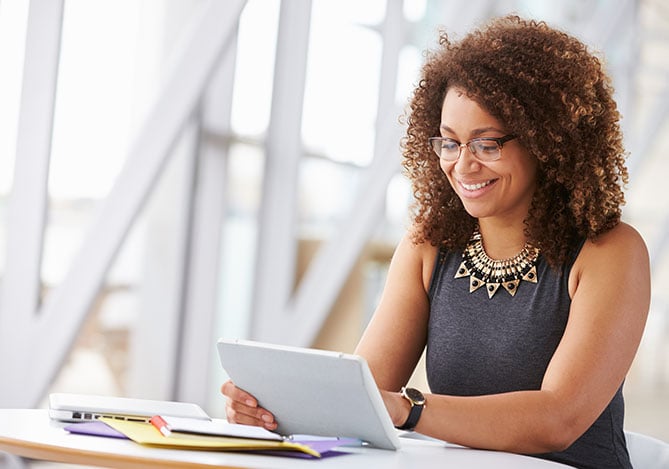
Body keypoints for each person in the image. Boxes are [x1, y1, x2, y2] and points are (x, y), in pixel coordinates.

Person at [221, 15, 650, 469]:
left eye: (486, 144)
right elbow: (362, 396)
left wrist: (410, 408)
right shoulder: (430, 246)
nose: (462, 166)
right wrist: (271, 412)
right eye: (449, 143)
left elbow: (557, 418)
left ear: (549, 142)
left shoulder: (610, 252)